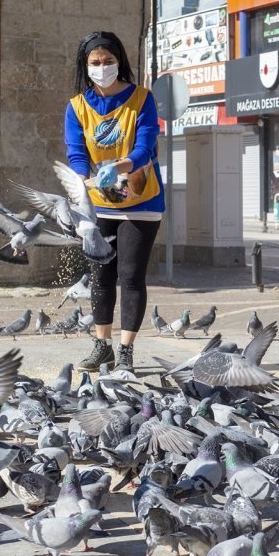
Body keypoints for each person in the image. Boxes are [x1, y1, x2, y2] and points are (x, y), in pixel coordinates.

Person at [64, 31, 164, 373]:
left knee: (131, 275)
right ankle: (101, 346)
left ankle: (125, 351)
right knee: (100, 276)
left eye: (108, 61)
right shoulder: (77, 107)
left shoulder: (141, 99)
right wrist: (82, 177)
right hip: (100, 203)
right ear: (85, 65)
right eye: (95, 62)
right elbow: (76, 152)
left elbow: (144, 147)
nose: (102, 67)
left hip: (141, 200)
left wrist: (118, 167)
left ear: (119, 61)